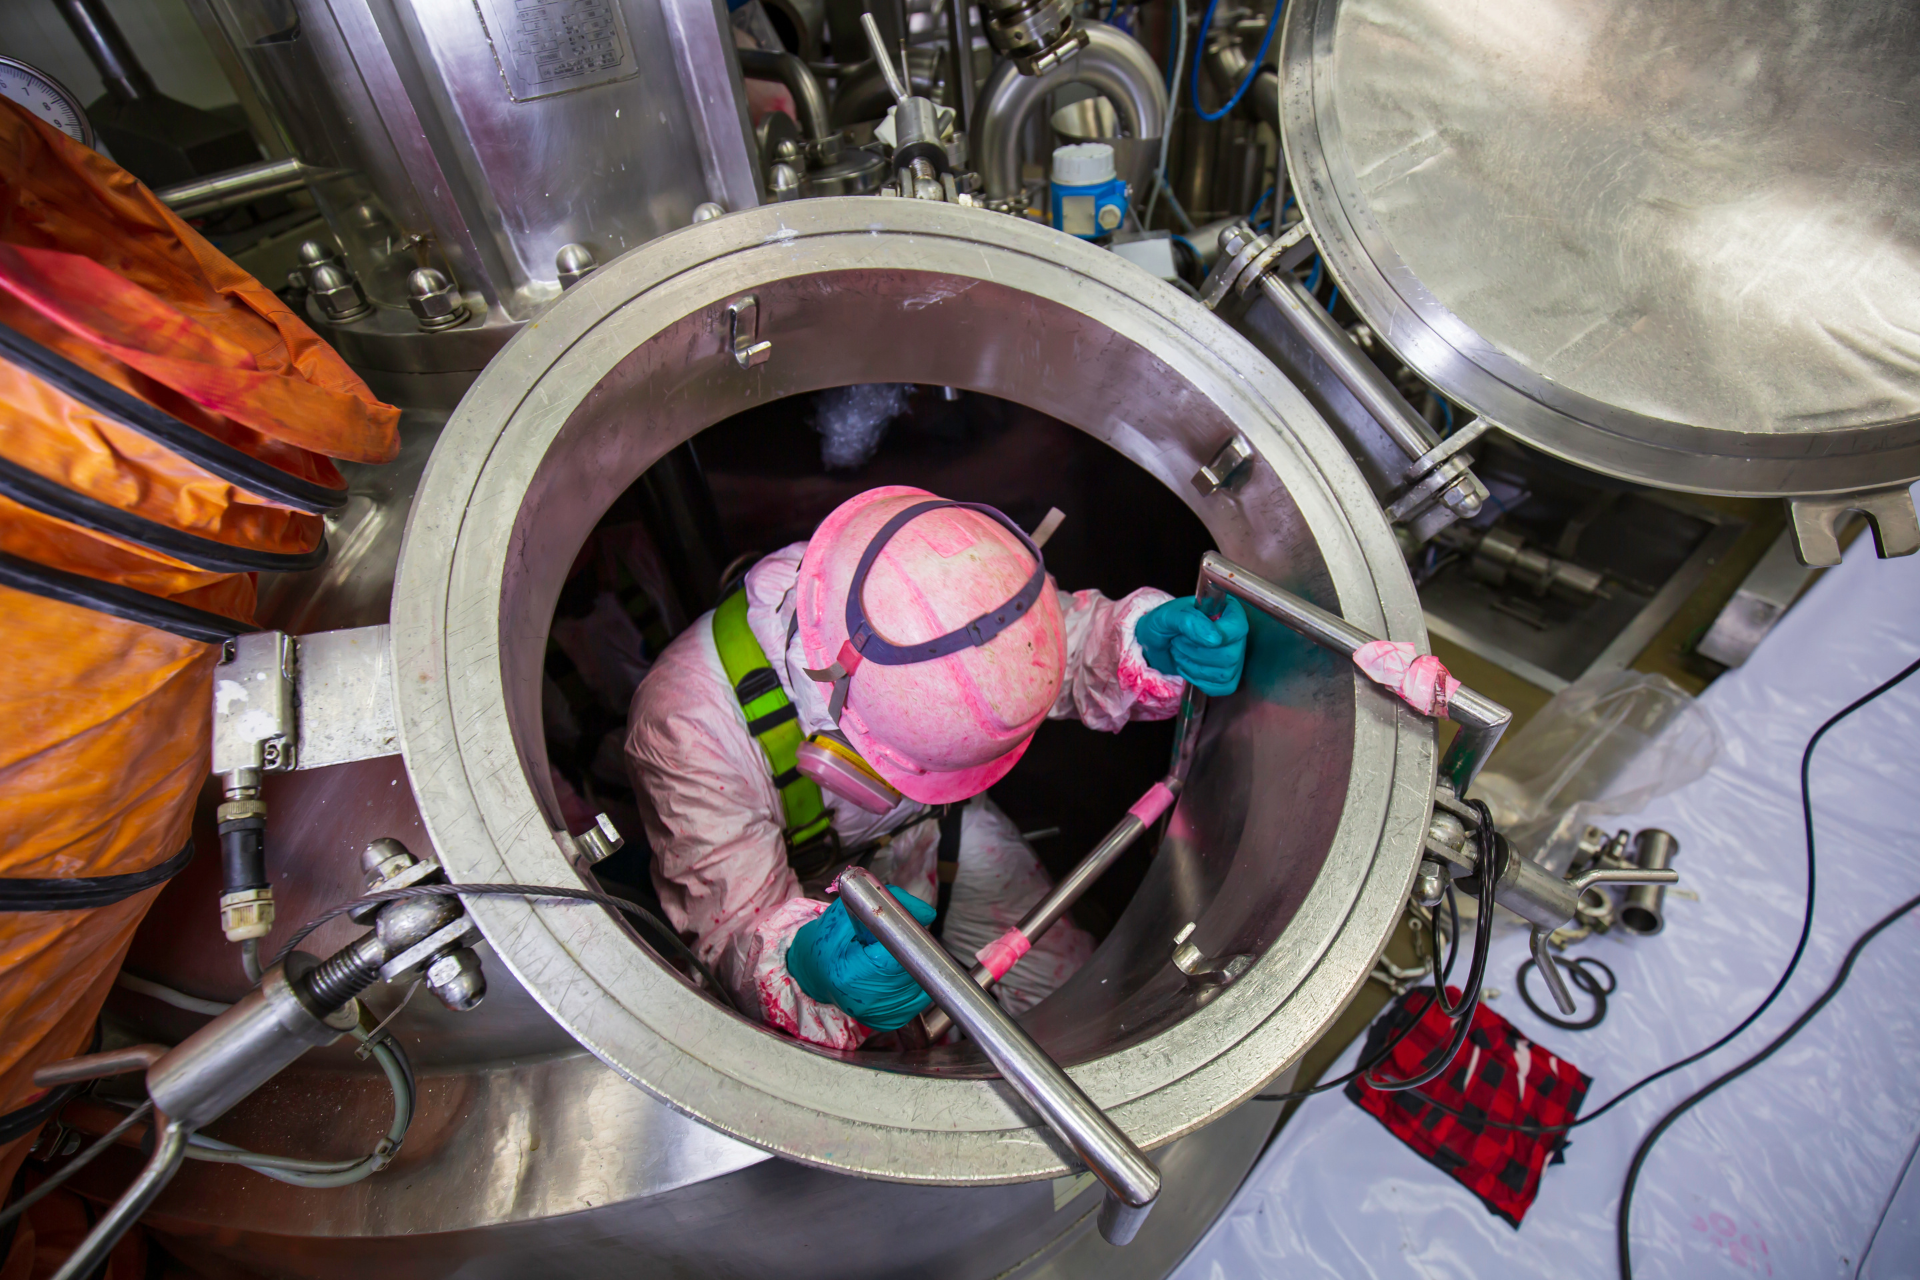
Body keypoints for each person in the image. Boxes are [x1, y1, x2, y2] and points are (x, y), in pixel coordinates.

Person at [625, 485, 1248, 1047]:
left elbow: (1032, 649)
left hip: (932, 832)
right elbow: (735, 926)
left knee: (1080, 1006)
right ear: (844, 749)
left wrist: (1135, 646)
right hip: (801, 899)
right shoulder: (687, 728)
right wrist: (802, 967)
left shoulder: (918, 563)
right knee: (885, 1063)